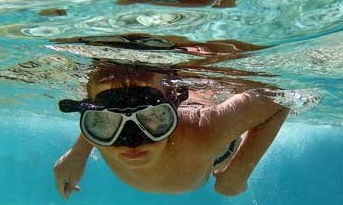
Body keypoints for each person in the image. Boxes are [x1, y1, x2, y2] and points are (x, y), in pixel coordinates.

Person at [53, 62, 288, 197]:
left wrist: (236, 174)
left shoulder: (205, 128)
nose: (130, 143)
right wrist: (77, 153)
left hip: (217, 153)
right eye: (104, 122)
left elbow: (282, 98)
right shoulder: (99, 126)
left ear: (174, 108)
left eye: (154, 119)